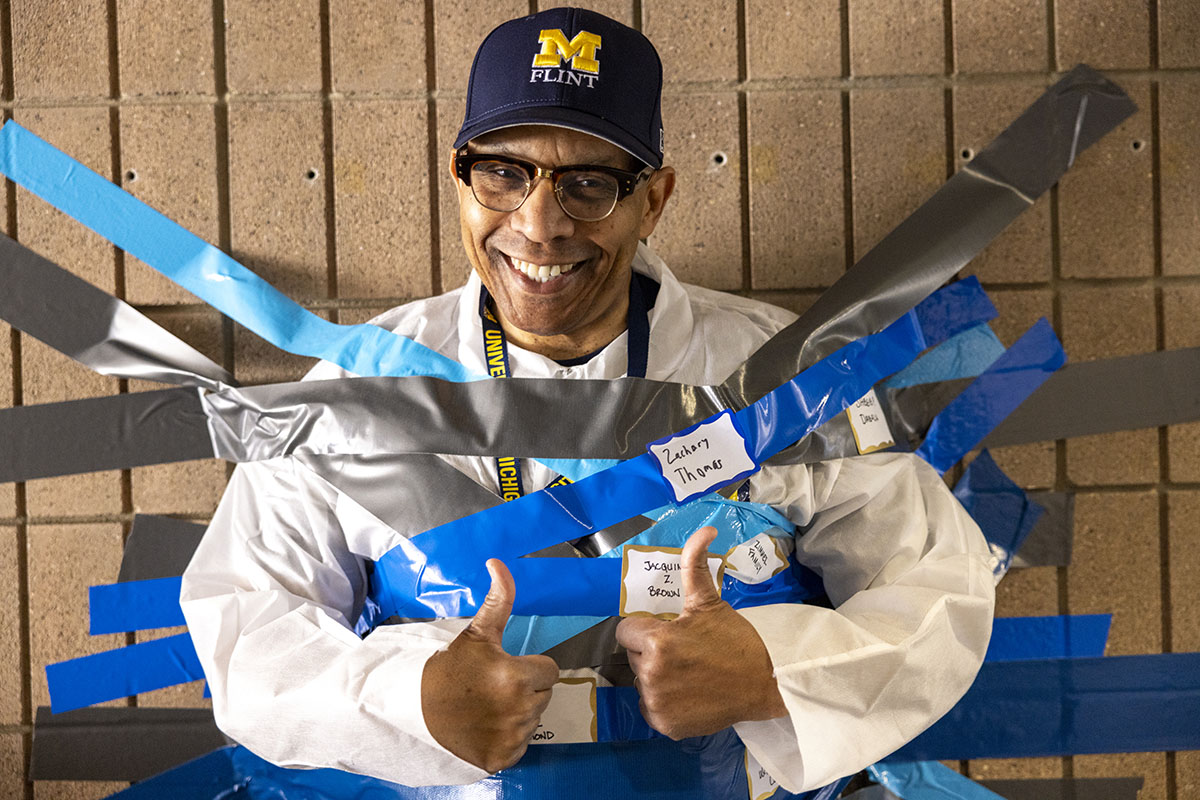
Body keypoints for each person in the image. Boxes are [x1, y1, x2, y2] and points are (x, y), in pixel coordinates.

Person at [180, 6, 995, 796]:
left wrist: (775, 670)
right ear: (460, 175)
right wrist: (410, 698)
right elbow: (246, 628)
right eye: (503, 172)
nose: (539, 226)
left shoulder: (785, 376)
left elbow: (939, 588)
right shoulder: (356, 394)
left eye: (589, 184)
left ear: (656, 197)